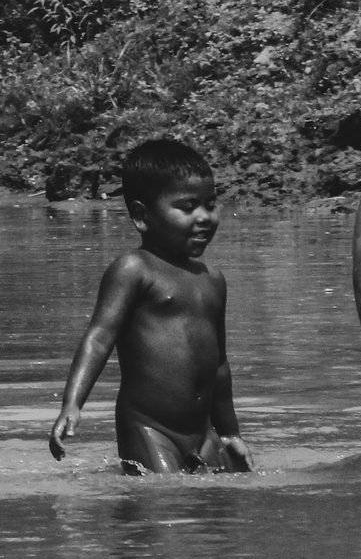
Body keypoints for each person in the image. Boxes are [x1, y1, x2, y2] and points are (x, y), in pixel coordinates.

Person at [48, 138, 252, 475]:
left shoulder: (214, 280)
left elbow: (219, 366)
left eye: (210, 204)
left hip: (203, 431)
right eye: (188, 207)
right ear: (142, 216)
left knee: (220, 504)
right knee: (161, 499)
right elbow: (99, 338)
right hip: (149, 427)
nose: (204, 216)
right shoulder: (134, 270)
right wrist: (72, 404)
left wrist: (231, 433)